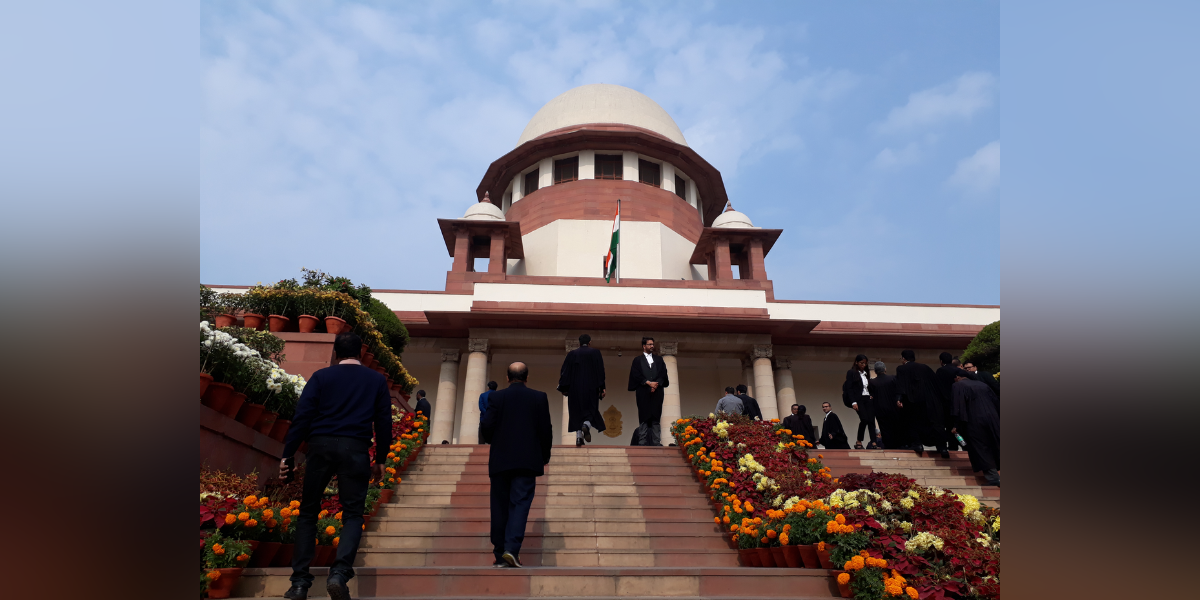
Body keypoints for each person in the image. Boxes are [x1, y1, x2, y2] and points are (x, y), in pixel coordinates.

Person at [279, 333, 392, 600]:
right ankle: (339, 574)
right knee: (352, 514)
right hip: (355, 448)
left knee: (308, 512)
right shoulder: (375, 380)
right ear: (361, 353)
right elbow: (383, 422)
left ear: (335, 353)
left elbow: (302, 417)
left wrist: (288, 454)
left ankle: (299, 584)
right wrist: (381, 459)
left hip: (320, 445)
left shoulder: (321, 377)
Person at [479, 362, 554, 568]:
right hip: (527, 460)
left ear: (507, 378)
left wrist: (494, 439)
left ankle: (499, 553)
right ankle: (511, 549)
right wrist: (544, 455)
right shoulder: (539, 397)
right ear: (527, 378)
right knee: (520, 504)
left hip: (501, 459)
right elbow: (546, 430)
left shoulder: (496, 397)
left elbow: (486, 425)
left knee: (499, 506)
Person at [895, 350, 949, 458]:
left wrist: (899, 399)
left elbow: (901, 385)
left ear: (904, 359)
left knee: (912, 422)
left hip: (912, 401)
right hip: (929, 401)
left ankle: (918, 445)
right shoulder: (925, 367)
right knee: (934, 424)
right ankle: (942, 448)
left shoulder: (901, 369)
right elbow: (935, 383)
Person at [951, 373, 1001, 486]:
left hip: (974, 420)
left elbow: (958, 406)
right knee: (994, 444)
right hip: (993, 418)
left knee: (980, 447)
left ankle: (993, 477)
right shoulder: (982, 384)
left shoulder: (958, 385)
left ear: (958, 377)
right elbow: (996, 402)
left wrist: (956, 424)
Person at [558, 334, 607, 447]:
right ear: (590, 342)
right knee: (590, 410)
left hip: (574, 388)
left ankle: (579, 437)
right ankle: (586, 424)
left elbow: (565, 372)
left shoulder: (572, 354)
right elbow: (600, 371)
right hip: (591, 387)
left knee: (576, 412)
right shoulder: (595, 353)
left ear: (579, 343)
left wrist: (563, 387)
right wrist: (602, 387)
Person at [627, 336, 669, 446]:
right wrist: (648, 383)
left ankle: (656, 441)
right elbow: (636, 375)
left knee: (656, 416)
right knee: (644, 416)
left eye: (652, 344)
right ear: (644, 346)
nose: (652, 346)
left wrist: (656, 384)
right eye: (649, 344)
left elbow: (663, 374)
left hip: (657, 391)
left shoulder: (659, 360)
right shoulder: (637, 360)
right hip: (643, 391)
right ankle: (642, 442)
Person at [934, 352, 976, 451]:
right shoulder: (959, 371)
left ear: (941, 361)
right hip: (962, 402)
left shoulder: (940, 371)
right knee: (961, 426)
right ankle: (965, 446)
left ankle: (953, 447)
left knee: (949, 427)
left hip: (946, 404)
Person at [866, 361, 908, 449]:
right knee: (897, 428)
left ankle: (889, 447)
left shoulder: (872, 383)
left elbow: (871, 395)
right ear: (885, 369)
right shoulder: (893, 378)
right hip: (894, 408)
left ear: (875, 371)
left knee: (885, 430)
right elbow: (899, 390)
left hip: (880, 410)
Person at [842, 354, 880, 448]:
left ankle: (874, 442)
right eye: (861, 363)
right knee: (864, 419)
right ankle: (859, 440)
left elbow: (868, 386)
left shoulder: (866, 373)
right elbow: (849, 388)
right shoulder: (851, 372)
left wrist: (871, 395)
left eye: (865, 363)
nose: (863, 365)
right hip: (858, 399)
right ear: (856, 362)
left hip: (868, 398)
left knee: (871, 420)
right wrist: (853, 402)